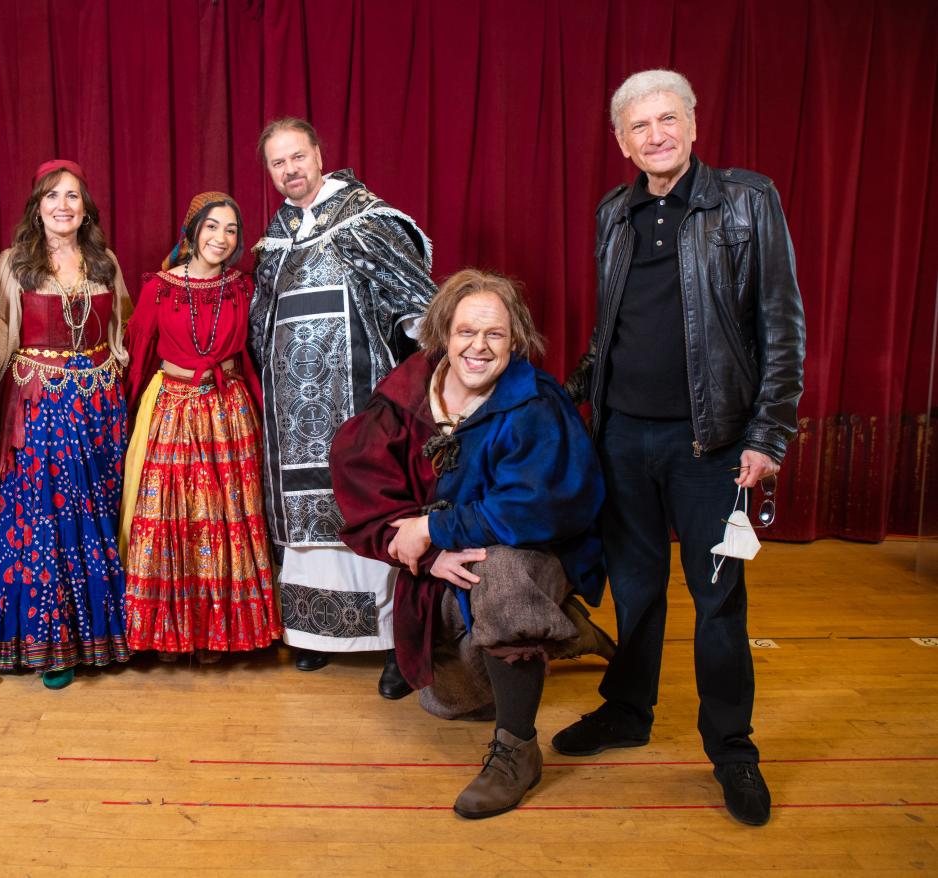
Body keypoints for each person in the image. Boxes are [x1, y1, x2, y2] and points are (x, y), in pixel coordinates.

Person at [555, 69, 806, 826]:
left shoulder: (746, 200)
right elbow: (612, 329)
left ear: (694, 126)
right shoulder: (613, 213)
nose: (655, 135)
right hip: (623, 439)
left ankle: (732, 749)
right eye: (639, 126)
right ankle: (628, 710)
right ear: (621, 142)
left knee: (718, 600)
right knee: (635, 590)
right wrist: (580, 410)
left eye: (668, 120)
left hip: (713, 444)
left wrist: (768, 434)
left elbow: (781, 328)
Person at [331, 269, 606, 819]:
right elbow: (362, 487)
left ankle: (516, 752)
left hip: (529, 554)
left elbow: (537, 505)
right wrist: (429, 557)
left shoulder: (535, 406)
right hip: (443, 564)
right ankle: (562, 629)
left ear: (516, 340)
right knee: (452, 702)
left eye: (495, 335)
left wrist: (435, 530)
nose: (478, 347)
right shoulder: (404, 399)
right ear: (442, 333)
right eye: (465, 333)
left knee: (497, 576)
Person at [250, 117, 437, 698]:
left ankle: (393, 643)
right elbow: (260, 323)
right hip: (293, 414)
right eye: (278, 163)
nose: (290, 171)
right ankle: (315, 634)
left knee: (367, 507)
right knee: (308, 522)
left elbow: (417, 305)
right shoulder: (278, 235)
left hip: (358, 401)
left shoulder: (366, 221)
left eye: (297, 157)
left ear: (319, 154)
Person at [0, 160, 133, 690]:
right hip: (38, 407)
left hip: (99, 408)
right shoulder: (13, 264)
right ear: (37, 206)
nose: (64, 204)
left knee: (99, 512)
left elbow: (123, 330)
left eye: (74, 196)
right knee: (42, 519)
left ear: (86, 210)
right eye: (53, 195)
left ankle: (106, 635)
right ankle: (50, 644)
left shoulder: (104, 263)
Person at [121, 192, 281, 662]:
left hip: (228, 411)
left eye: (231, 230)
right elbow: (139, 350)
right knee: (172, 515)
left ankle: (223, 631)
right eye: (212, 227)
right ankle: (165, 632)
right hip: (172, 408)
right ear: (192, 232)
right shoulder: (160, 288)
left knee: (225, 516)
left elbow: (259, 350)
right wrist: (124, 415)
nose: (221, 238)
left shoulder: (244, 288)